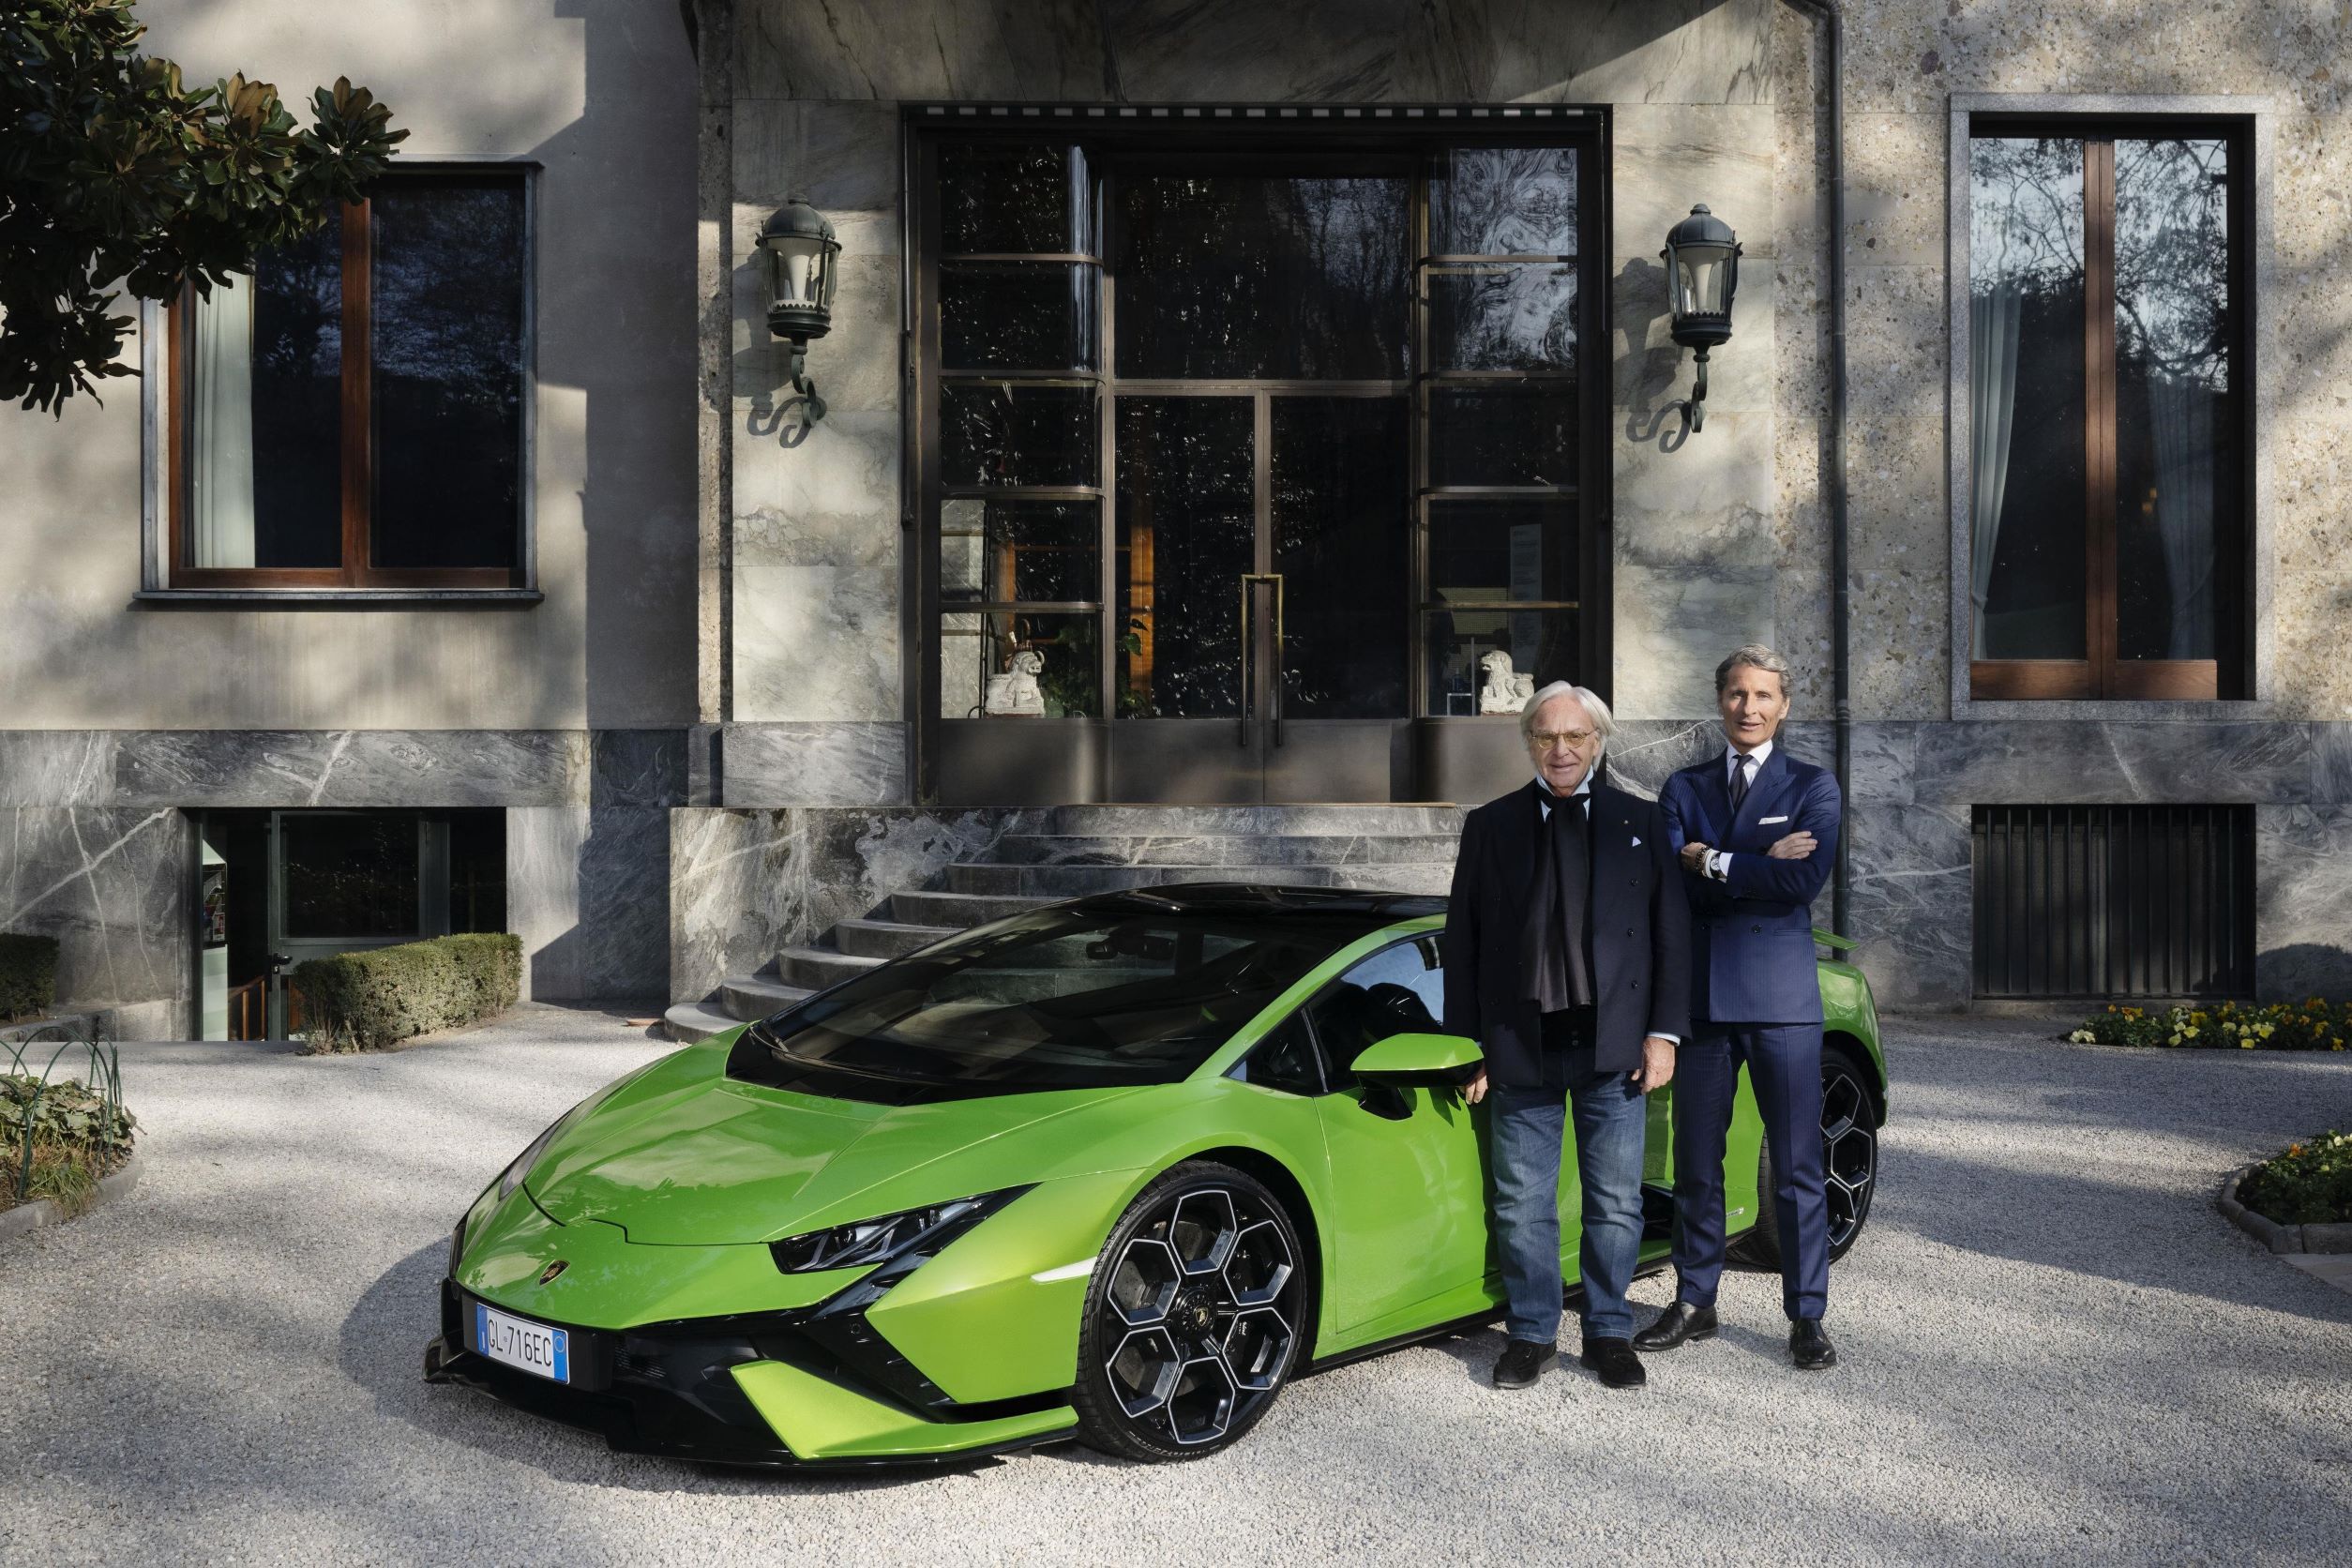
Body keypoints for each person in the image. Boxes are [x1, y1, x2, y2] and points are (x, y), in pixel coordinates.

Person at [1441, 682, 1691, 1391]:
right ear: (1528, 743)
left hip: (1615, 1046)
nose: (1561, 750)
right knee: (1523, 1202)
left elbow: (1672, 941)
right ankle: (1530, 1333)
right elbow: (1465, 945)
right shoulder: (1490, 827)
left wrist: (1664, 1036)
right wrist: (1470, 1046)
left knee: (1616, 1200)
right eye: (1547, 737)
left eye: (1575, 737)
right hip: (1523, 1043)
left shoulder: (1642, 822)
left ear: (1598, 742)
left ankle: (1609, 1330)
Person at [1639, 644, 1844, 1370]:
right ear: (1719, 699)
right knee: (1699, 1161)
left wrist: (1714, 859)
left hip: (1782, 1000)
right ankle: (1696, 1301)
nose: (1749, 708)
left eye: (1763, 696)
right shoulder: (1683, 786)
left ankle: (1806, 1315)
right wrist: (1753, 861)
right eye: (1736, 694)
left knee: (1793, 1163)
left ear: (1784, 706)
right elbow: (1672, 884)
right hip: (1701, 1002)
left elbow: (1802, 884)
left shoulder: (1814, 786)